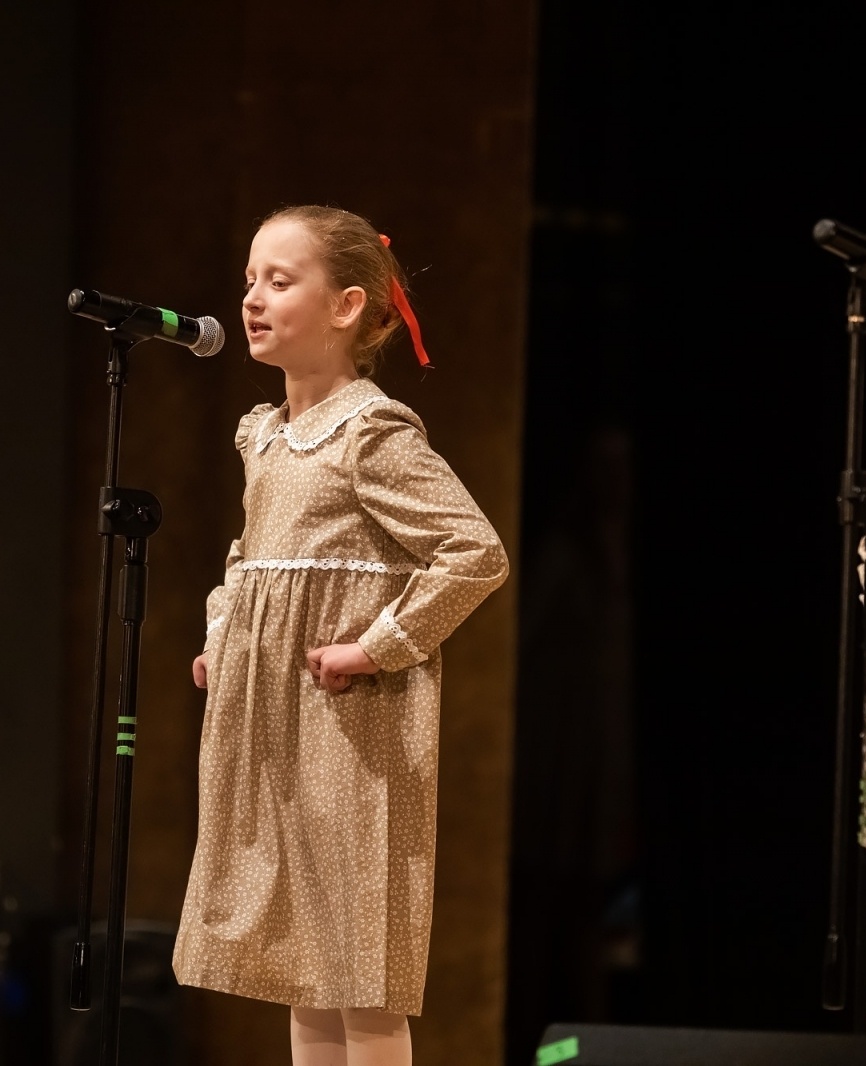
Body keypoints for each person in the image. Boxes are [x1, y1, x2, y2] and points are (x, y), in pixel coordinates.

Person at [171, 204, 509, 1066]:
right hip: (272, 730)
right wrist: (224, 633)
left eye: (279, 281)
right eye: (250, 279)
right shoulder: (266, 437)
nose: (252, 298)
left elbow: (474, 553)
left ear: (347, 307)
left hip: (350, 738)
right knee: (303, 968)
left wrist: (378, 646)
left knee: (360, 978)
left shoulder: (371, 433)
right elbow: (249, 554)